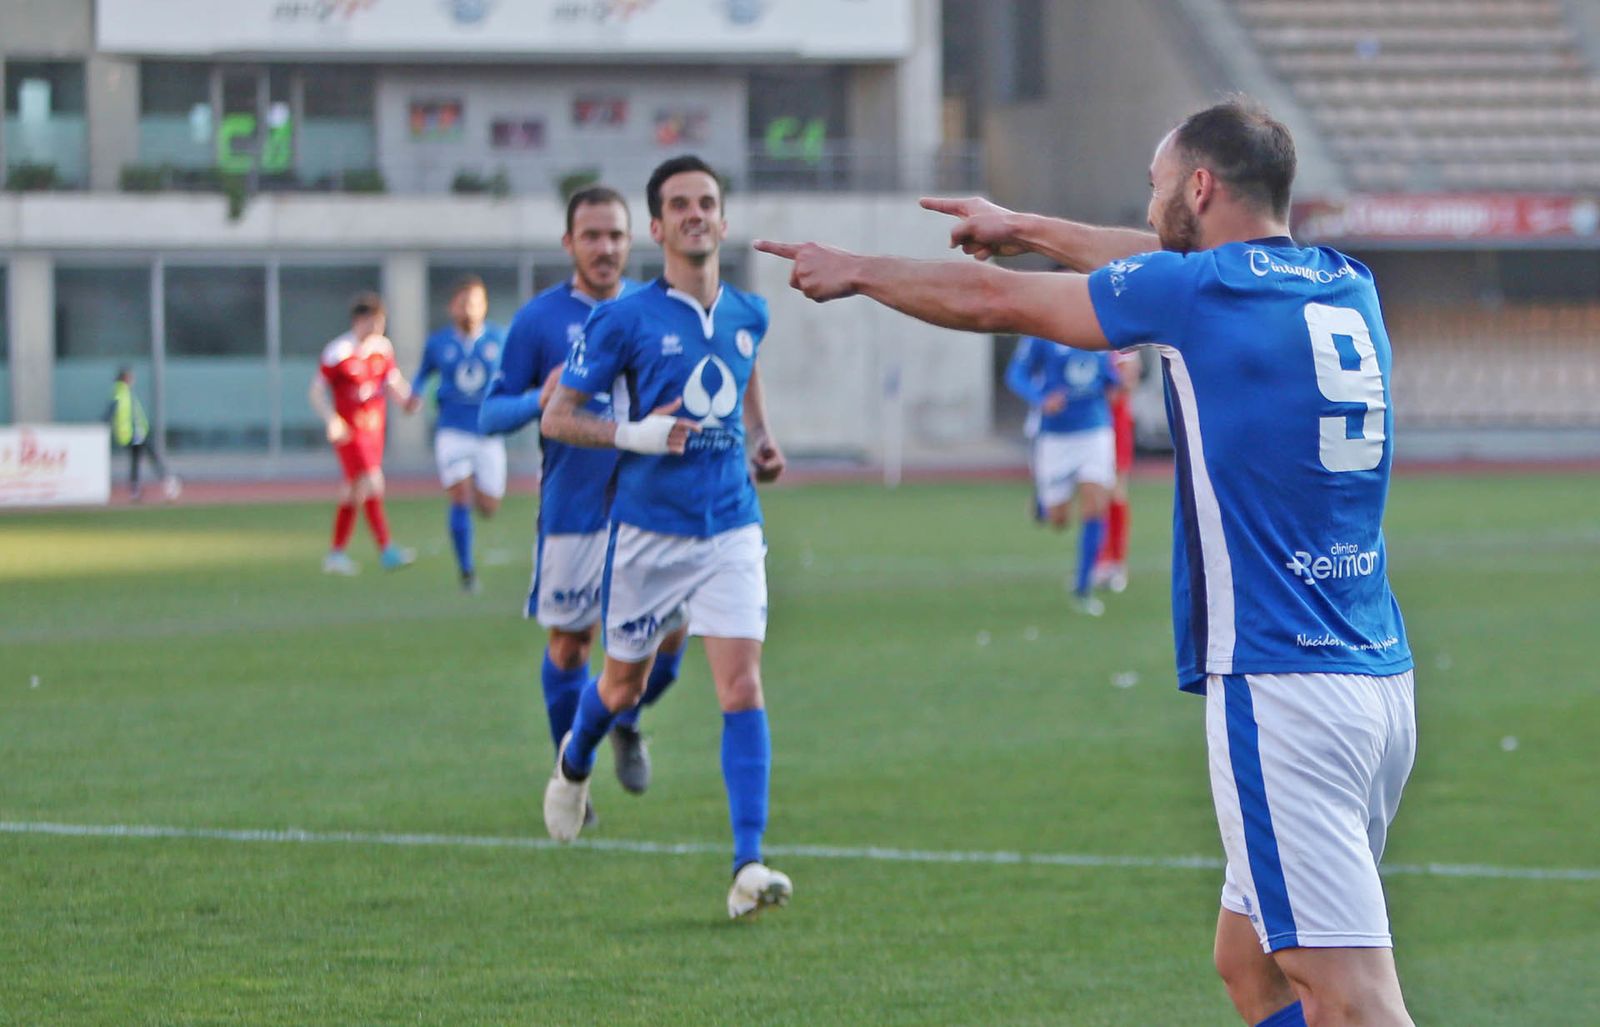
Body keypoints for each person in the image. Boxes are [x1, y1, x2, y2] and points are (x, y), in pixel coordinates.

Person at [757, 100, 1417, 1026]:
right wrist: (1022, 225)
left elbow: (1000, 302)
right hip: (1378, 677)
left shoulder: (1198, 295)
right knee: (1249, 963)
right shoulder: (1342, 282)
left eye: (1156, 189)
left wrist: (857, 270)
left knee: (1350, 997)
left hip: (1283, 685)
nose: (1146, 210)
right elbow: (1156, 264)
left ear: (1200, 186)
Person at [540, 156, 791, 920]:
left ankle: (748, 863)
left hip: (731, 528)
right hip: (647, 535)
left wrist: (761, 439)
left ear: (722, 218)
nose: (694, 214)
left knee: (741, 685)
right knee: (621, 685)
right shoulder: (623, 318)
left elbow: (742, 371)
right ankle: (576, 759)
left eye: (706, 202)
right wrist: (635, 435)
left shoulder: (750, 311)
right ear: (657, 227)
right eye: (678, 205)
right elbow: (557, 416)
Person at [479, 185, 685, 800]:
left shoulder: (660, 313)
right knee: (571, 647)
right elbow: (489, 416)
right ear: (569, 243)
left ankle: (623, 719)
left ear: (635, 240)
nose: (605, 248)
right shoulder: (539, 321)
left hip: (652, 511)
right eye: (592, 236)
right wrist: (535, 399)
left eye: (616, 236)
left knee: (672, 635)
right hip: (573, 510)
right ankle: (572, 773)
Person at [1004, 332, 1121, 615]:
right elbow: (1016, 374)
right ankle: (1044, 506)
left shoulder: (1097, 328)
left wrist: (1118, 380)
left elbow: (1107, 377)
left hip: (1095, 430)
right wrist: (1041, 398)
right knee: (1059, 520)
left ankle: (1082, 587)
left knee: (1096, 505)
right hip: (1056, 437)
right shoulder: (1042, 333)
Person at [309, 292, 421, 575]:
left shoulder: (382, 348)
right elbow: (316, 391)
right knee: (373, 481)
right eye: (374, 321)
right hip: (350, 432)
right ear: (360, 320)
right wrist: (331, 419)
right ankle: (387, 549)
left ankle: (335, 555)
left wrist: (408, 400)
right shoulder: (338, 352)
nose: (378, 328)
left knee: (353, 491)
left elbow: (392, 382)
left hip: (374, 431)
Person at [412, 275, 509, 593]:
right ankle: (467, 572)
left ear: (485, 307)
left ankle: (480, 508)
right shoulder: (438, 343)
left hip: (488, 432)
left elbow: (518, 373)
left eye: (475, 302)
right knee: (460, 495)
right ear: (452, 307)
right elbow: (422, 373)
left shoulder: (498, 338)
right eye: (463, 302)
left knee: (489, 506)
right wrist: (414, 393)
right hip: (452, 431)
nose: (469, 308)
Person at [1094, 348, 1142, 594]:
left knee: (1116, 491)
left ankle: (1117, 563)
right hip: (1093, 419)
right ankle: (1100, 559)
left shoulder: (1121, 339)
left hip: (1116, 419)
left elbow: (1129, 380)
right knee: (1095, 493)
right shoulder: (1087, 335)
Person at [105, 367, 180, 501]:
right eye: (131, 377)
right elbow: (113, 409)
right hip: (132, 434)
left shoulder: (123, 391)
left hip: (132, 433)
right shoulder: (121, 392)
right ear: (126, 378)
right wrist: (105, 422)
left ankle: (135, 490)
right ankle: (167, 480)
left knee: (136, 459)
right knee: (151, 454)